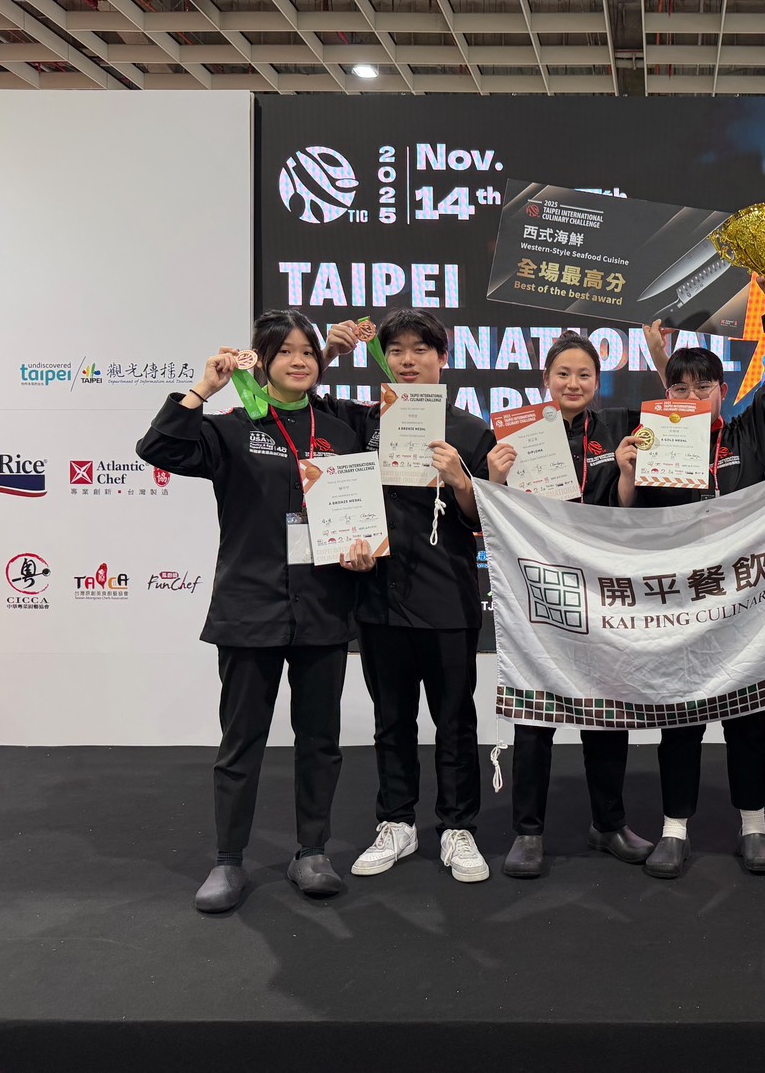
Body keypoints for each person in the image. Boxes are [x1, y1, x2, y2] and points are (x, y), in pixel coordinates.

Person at [137, 310, 375, 914]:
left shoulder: (341, 426)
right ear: (262, 361)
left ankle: (312, 851)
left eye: (308, 352)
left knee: (319, 740)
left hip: (323, 605)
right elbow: (157, 448)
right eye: (285, 352)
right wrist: (204, 387)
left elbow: (376, 484)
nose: (298, 361)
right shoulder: (232, 427)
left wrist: (364, 547)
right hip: (250, 606)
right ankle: (228, 860)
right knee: (241, 741)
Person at [613, 259, 765, 880]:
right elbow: (629, 519)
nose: (692, 397)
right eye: (680, 389)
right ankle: (674, 829)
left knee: (747, 719)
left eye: (704, 387)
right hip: (679, 603)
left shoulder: (749, 434)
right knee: (680, 721)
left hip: (745, 604)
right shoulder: (653, 438)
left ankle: (754, 827)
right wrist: (627, 470)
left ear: (722, 393)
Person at [321, 309, 497, 885]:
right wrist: (329, 353)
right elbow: (300, 409)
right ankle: (396, 821)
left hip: (447, 598)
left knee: (455, 721)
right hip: (379, 596)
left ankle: (458, 826)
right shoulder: (364, 421)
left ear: (442, 358)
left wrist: (461, 480)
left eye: (421, 350)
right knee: (391, 720)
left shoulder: (471, 431)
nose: (408, 360)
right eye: (396, 350)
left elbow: (485, 521)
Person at [488, 330, 665, 878]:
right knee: (534, 714)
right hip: (539, 588)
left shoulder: (616, 427)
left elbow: (628, 503)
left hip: (603, 589)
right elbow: (500, 513)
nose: (573, 383)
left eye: (584, 374)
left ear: (597, 381)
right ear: (546, 379)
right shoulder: (517, 433)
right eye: (563, 374)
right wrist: (495, 478)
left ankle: (608, 823)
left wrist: (629, 472)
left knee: (608, 711)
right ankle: (528, 831)